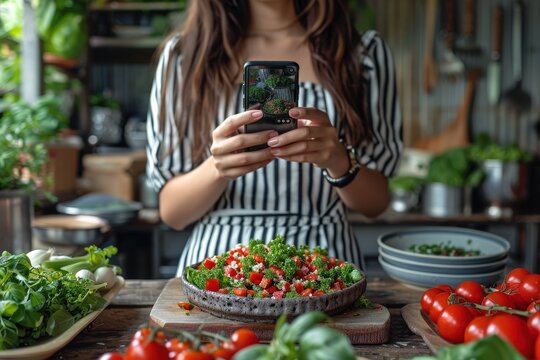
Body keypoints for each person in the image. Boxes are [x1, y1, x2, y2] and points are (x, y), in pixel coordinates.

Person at [146, 0, 402, 276]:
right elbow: (172, 212)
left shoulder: (362, 54)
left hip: (327, 266)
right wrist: (217, 168)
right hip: (217, 269)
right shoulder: (184, 56)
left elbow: (375, 203)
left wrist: (339, 161)